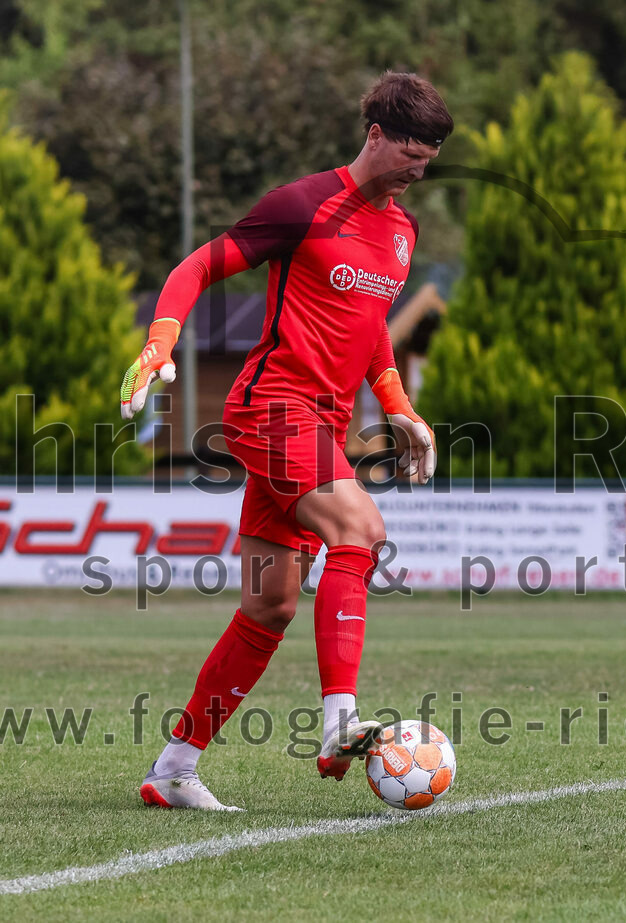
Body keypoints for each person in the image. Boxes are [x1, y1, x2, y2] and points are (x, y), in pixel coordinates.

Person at [120, 72, 453, 811]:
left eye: (428, 161)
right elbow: (199, 265)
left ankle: (173, 768)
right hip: (270, 407)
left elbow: (370, 331)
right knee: (360, 527)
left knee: (269, 606)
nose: (417, 171)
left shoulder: (402, 232)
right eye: (410, 155)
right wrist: (159, 340)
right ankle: (340, 722)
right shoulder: (303, 205)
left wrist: (399, 406)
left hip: (322, 427)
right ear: (375, 135)